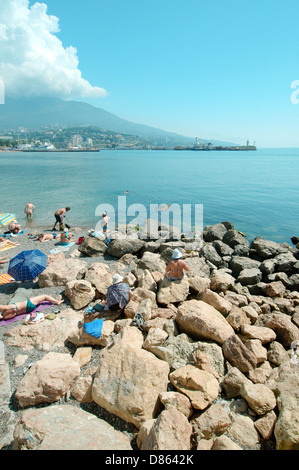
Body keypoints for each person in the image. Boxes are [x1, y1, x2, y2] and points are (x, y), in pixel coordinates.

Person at [0, 295, 64, 321]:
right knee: (44, 296)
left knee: (42, 299)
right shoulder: (10, 307)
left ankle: (49, 298)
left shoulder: (6, 316)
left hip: (25, 310)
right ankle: (57, 302)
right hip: (29, 304)